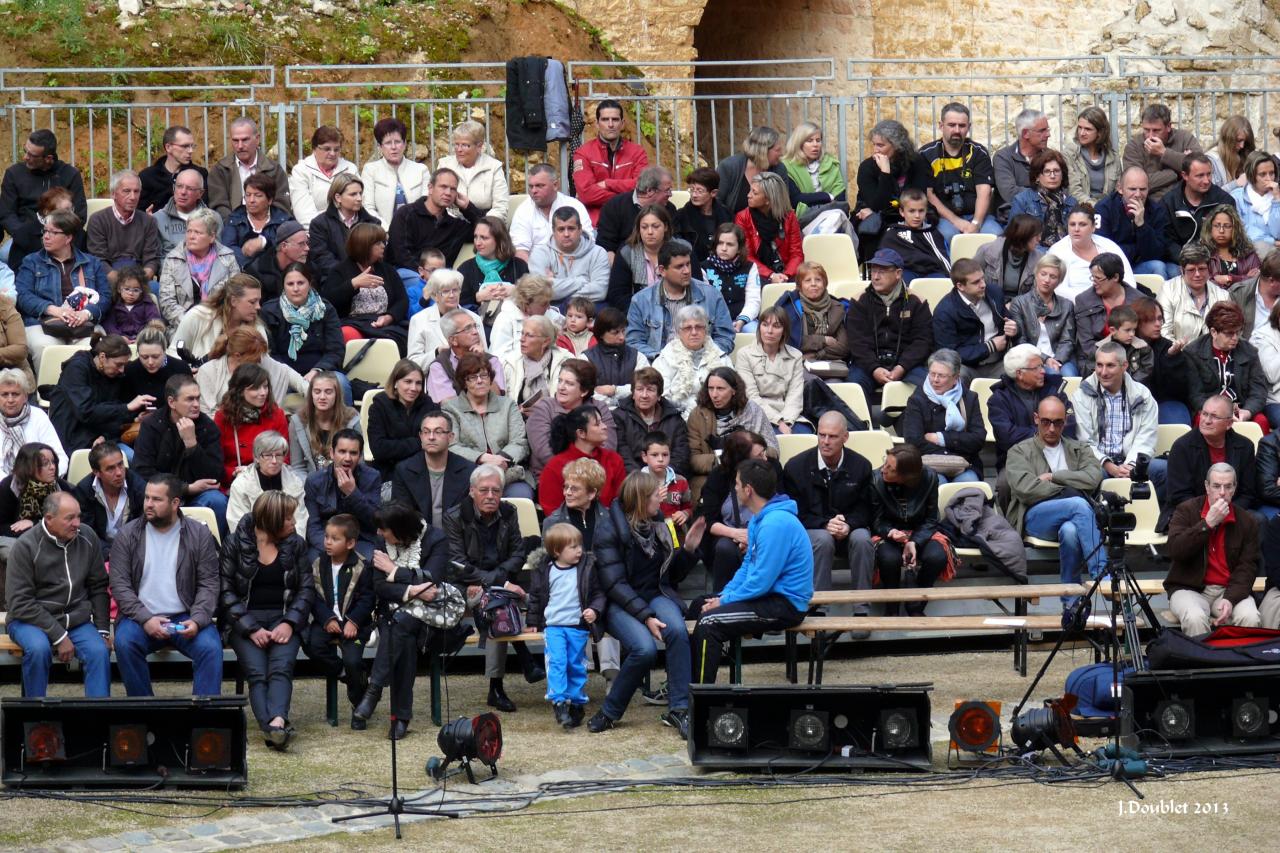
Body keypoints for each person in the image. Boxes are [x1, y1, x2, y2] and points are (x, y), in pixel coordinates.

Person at [591, 469, 706, 735]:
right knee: (644, 650)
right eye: (656, 495)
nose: (661, 499)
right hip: (619, 601)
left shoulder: (660, 525)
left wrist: (688, 551)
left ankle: (679, 710)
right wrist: (646, 617)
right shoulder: (608, 530)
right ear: (642, 499)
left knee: (677, 632)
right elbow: (614, 584)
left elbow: (672, 575)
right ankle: (610, 712)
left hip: (656, 593)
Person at [691, 458, 810, 686]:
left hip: (785, 604)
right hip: (768, 595)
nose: (734, 488)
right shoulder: (761, 518)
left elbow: (761, 581)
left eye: (736, 483)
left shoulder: (776, 523)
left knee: (709, 622)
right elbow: (747, 567)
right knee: (699, 605)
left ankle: (698, 701)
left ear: (748, 490)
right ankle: (680, 687)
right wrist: (723, 596)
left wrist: (725, 601)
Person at [110, 474, 223, 697]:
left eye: (156, 499)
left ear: (175, 503)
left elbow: (209, 584)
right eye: (146, 498)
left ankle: (204, 721)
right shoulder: (127, 535)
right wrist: (145, 618)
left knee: (210, 648)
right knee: (125, 643)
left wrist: (198, 620)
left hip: (185, 616)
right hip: (141, 617)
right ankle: (145, 711)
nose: (148, 504)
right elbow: (120, 585)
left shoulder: (199, 534)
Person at [220, 490, 314, 749]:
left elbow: (306, 590)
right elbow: (225, 592)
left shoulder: (295, 544)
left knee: (281, 668)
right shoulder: (235, 543)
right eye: (288, 519)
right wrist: (249, 628)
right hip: (244, 620)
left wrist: (290, 622)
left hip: (283, 617)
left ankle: (276, 724)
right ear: (272, 521)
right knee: (257, 672)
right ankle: (275, 726)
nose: (294, 524)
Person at [443, 465, 540, 712]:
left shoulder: (509, 512)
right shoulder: (454, 517)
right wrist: (500, 583)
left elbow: (518, 554)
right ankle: (501, 682)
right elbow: (458, 564)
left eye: (495, 490)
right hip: (467, 586)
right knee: (495, 605)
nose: (490, 496)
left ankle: (501, 687)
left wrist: (498, 582)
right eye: (484, 490)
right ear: (472, 491)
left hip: (500, 584)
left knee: (497, 602)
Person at [351, 502, 450, 737]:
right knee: (400, 629)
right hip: (392, 613)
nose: (378, 534)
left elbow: (432, 581)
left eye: (384, 530)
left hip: (428, 616)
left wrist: (393, 571)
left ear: (401, 530)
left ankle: (374, 690)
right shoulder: (380, 542)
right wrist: (412, 590)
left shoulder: (436, 539)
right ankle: (400, 717)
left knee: (402, 624)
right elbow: (379, 586)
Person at [1006, 396, 1106, 617]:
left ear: (1065, 422)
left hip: (1073, 518)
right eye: (1046, 421)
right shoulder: (1019, 451)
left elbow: (1092, 478)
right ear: (1035, 419)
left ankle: (1071, 604)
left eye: (1058, 422)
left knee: (1070, 531)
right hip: (1036, 516)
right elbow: (1026, 489)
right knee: (1078, 503)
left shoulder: (1079, 449)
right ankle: (1102, 575)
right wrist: (1068, 489)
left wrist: (1054, 477)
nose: (1051, 428)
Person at [4, 491, 110, 697]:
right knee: (38, 650)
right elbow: (20, 602)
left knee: (99, 652)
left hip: (75, 619)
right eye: (70, 518)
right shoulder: (25, 546)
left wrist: (103, 630)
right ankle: (34, 720)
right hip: (28, 621)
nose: (77, 523)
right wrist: (59, 636)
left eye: (78, 516)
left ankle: (98, 720)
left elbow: (98, 586)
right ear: (49, 519)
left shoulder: (87, 537)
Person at [784, 411, 874, 608]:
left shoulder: (862, 466)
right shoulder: (795, 467)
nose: (825, 441)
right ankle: (819, 607)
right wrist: (824, 524)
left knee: (862, 539)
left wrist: (849, 525)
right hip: (813, 529)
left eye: (832, 436)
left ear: (845, 437)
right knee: (823, 540)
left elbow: (866, 508)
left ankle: (862, 608)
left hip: (849, 528)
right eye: (821, 435)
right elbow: (793, 512)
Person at [1165, 462, 1262, 634]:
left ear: (1234, 488)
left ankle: (1240, 660)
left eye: (1228, 486)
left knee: (1250, 617)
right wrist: (1207, 524)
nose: (1222, 493)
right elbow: (1175, 550)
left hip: (1228, 589)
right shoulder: (1186, 511)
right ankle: (1202, 660)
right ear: (1207, 486)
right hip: (1189, 588)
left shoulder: (1247, 521)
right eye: (1216, 486)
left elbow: (1247, 568)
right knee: (1195, 617)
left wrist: (1230, 599)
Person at [527, 522, 603, 729]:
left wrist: (594, 610)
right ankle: (559, 701)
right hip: (554, 626)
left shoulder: (586, 569)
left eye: (580, 545)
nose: (579, 550)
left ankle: (577, 702)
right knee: (558, 662)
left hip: (577, 626)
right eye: (573, 547)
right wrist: (533, 621)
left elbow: (597, 593)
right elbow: (535, 596)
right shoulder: (546, 570)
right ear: (557, 551)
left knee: (576, 664)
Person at [15, 208, 110, 371]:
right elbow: (23, 296)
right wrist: (53, 310)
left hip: (83, 322)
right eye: (45, 231)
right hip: (42, 322)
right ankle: (47, 393)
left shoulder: (92, 263)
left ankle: (85, 394)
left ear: (68, 238)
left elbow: (105, 297)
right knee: (45, 348)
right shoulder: (31, 262)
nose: (46, 236)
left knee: (96, 347)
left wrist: (86, 313)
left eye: (53, 232)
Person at [303, 512, 375, 727]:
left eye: (335, 538)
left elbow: (368, 598)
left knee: (353, 660)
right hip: (327, 621)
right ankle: (341, 672)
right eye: (326, 537)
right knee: (311, 644)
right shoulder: (318, 564)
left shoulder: (362, 566)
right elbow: (313, 596)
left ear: (351, 543)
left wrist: (353, 620)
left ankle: (358, 705)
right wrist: (327, 619)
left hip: (355, 625)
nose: (328, 542)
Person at [132, 374, 228, 527]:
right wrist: (186, 488)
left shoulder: (207, 426)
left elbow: (215, 476)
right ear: (172, 402)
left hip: (197, 498)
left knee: (217, 500)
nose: (196, 404)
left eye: (198, 398)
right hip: (160, 497)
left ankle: (217, 549)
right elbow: (142, 471)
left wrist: (192, 444)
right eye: (190, 399)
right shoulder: (151, 425)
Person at [1073, 341, 1166, 495]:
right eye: (1099, 365)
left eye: (1110, 365)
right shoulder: (1082, 395)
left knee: (1164, 470)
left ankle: (1162, 518)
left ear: (1124, 366)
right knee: (1091, 476)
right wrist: (1109, 466)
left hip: (1132, 461)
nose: (1103, 372)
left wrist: (1130, 466)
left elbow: (1146, 437)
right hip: (1098, 464)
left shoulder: (1142, 395)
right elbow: (1083, 441)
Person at [868, 444, 950, 612]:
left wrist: (914, 542)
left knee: (937, 556)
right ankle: (892, 609)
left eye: (890, 468)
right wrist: (890, 532)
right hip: (888, 532)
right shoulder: (875, 479)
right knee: (889, 559)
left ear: (905, 476)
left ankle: (917, 604)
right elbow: (875, 521)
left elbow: (931, 519)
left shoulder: (929, 477)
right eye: (885, 463)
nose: (883, 469)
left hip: (920, 530)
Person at [442, 352, 534, 499]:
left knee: (521, 496)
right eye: (472, 377)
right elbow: (452, 446)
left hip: (508, 472)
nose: (480, 381)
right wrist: (482, 458)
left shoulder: (507, 405)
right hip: (469, 474)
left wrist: (501, 460)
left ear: (490, 379)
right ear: (464, 382)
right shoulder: (451, 408)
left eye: (484, 375)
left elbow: (520, 442)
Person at [844, 247, 933, 398]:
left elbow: (923, 341)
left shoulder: (917, 301)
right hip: (867, 365)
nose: (876, 277)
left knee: (929, 387)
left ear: (898, 274)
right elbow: (857, 343)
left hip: (906, 365)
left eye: (882, 271)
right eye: (873, 271)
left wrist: (902, 367)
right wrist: (874, 368)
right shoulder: (859, 301)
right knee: (854, 387)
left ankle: (907, 421)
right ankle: (863, 423)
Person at [1163, 394, 1259, 530]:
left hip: (1233, 510)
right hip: (1193, 513)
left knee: (1258, 520)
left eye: (1214, 417)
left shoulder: (1245, 446)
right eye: (1204, 414)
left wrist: (1226, 512)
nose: (1206, 421)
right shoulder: (1182, 447)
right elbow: (1179, 496)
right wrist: (1211, 514)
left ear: (1229, 423)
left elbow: (1248, 493)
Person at [626, 239, 734, 359]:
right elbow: (633, 342)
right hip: (658, 365)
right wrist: (661, 358)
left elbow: (725, 338)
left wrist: (703, 357)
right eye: (679, 267)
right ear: (662, 270)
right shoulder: (641, 301)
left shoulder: (712, 295)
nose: (687, 271)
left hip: (703, 363)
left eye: (688, 264)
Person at [1, 129, 87, 274]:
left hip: (63, 238)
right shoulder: (14, 174)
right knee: (4, 255)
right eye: (25, 151)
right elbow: (6, 213)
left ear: (48, 158)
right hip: (24, 239)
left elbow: (79, 214)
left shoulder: (70, 175)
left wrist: (57, 236)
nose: (25, 157)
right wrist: (24, 236)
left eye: (31, 155)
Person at [48, 333, 149, 454]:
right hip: (72, 436)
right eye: (118, 364)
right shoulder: (76, 368)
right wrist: (127, 408)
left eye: (124, 365)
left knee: (137, 457)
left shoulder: (115, 374)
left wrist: (136, 416)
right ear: (102, 357)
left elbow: (113, 411)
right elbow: (86, 412)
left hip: (104, 437)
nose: (122, 370)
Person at [917, 102, 1001, 246]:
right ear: (941, 126)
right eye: (951, 125)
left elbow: (984, 192)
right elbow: (929, 196)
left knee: (996, 236)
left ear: (969, 127)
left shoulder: (978, 152)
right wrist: (957, 222)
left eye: (962, 126)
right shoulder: (926, 154)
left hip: (977, 216)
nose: (957, 130)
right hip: (943, 218)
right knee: (948, 236)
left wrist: (976, 223)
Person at [988, 344, 1077, 470]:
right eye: (1037, 368)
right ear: (1019, 373)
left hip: (1057, 458)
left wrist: (1034, 432)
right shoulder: (999, 400)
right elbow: (1007, 438)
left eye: (1042, 365)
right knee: (1006, 484)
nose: (1043, 371)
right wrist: (1046, 433)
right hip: (1017, 461)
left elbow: (1069, 425)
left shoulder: (1055, 391)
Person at [903, 348, 985, 483]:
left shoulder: (969, 398)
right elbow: (914, 441)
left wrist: (941, 439)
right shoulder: (917, 400)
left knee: (969, 484)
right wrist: (952, 452)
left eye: (941, 376)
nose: (935, 380)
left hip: (964, 464)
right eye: (932, 374)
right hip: (929, 463)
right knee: (937, 483)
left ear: (955, 378)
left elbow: (978, 438)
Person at [1183, 300, 1269, 429]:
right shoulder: (1193, 353)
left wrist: (1247, 411)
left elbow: (1259, 390)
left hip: (1241, 407)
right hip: (1209, 410)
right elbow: (1195, 395)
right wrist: (1219, 414)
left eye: (1238, 332)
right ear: (1214, 332)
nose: (1235, 338)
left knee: (1261, 422)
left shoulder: (1249, 351)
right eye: (1229, 333)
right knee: (1201, 420)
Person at [322, 221, 408, 349]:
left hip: (383, 324)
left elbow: (402, 300)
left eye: (383, 242)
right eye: (378, 243)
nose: (383, 246)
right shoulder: (339, 271)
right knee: (348, 334)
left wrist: (389, 317)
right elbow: (328, 301)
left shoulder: (387, 270)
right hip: (353, 323)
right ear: (364, 246)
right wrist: (353, 284)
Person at [526, 358, 617, 478]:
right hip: (553, 475)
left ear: (584, 391)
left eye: (569, 383)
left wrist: (587, 475)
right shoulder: (544, 407)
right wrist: (576, 476)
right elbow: (544, 452)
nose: (561, 387)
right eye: (560, 381)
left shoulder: (600, 408)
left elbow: (608, 446)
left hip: (595, 477)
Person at [260, 262, 346, 388]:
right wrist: (292, 377)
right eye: (290, 284)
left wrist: (318, 370)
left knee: (341, 383)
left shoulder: (325, 309)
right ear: (283, 286)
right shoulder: (269, 311)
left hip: (321, 372)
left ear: (309, 284)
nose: (295, 289)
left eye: (300, 283)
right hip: (283, 374)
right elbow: (270, 354)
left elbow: (336, 350)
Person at [932, 258, 1018, 381]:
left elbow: (1007, 319)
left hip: (1000, 362)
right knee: (954, 375)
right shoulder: (945, 312)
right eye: (976, 282)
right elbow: (948, 355)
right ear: (960, 286)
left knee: (1023, 367)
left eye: (983, 278)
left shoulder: (994, 293)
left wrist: (1013, 328)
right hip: (967, 367)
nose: (983, 284)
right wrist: (989, 347)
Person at [304, 429, 382, 559]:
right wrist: (332, 546)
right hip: (325, 540)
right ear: (332, 453)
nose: (347, 458)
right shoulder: (314, 481)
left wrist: (352, 493)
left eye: (353, 453)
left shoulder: (372, 477)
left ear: (360, 456)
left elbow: (375, 522)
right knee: (313, 561)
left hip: (359, 539)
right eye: (342, 451)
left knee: (370, 561)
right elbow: (313, 526)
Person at [157, 208, 240, 330]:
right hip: (182, 326)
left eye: (197, 232)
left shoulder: (228, 258)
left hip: (219, 325)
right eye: (189, 231)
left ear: (212, 237)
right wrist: (190, 324)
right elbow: (167, 302)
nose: (191, 236)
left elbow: (235, 296)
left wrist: (215, 324)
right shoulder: (173, 259)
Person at [196, 325, 307, 415]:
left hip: (264, 429)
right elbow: (207, 412)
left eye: (261, 356)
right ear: (237, 356)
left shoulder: (263, 360)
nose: (260, 360)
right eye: (255, 358)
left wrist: (315, 392)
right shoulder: (208, 371)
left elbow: (292, 377)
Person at [687, 367, 778, 475]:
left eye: (720, 388)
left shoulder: (753, 410)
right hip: (714, 473)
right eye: (710, 388)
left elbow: (772, 450)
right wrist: (724, 459)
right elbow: (692, 459)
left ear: (734, 390)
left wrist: (751, 455)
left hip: (751, 472)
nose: (714, 395)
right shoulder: (698, 415)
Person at [391, 410, 473, 528]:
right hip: (418, 539)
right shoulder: (404, 470)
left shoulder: (468, 471)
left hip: (457, 539)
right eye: (426, 432)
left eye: (438, 432)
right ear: (420, 436)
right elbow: (402, 515)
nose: (431, 437)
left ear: (450, 437)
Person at [0, 444, 74, 576]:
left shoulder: (60, 487)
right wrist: (30, 532)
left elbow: (74, 520)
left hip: (52, 535)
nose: (52, 467)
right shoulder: (9, 487)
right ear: (28, 466)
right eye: (45, 464)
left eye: (53, 462)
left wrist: (35, 524)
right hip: (15, 538)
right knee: (15, 552)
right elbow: (2, 526)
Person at [539, 404, 626, 514]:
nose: (605, 426)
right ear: (581, 433)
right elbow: (552, 510)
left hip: (608, 527)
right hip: (568, 528)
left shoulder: (613, 459)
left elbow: (620, 502)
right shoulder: (555, 467)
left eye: (602, 422)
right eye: (597, 424)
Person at [573, 100, 648, 226]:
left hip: (632, 222)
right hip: (595, 224)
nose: (610, 124)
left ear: (622, 123)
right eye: (605, 119)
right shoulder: (583, 153)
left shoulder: (637, 152)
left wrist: (608, 183)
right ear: (597, 123)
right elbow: (586, 194)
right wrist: (629, 198)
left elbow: (643, 187)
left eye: (615, 119)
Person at [387, 167, 480, 270]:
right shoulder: (405, 214)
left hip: (442, 277)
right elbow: (401, 255)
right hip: (407, 272)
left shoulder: (455, 226)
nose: (448, 193)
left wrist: (467, 207)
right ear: (431, 188)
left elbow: (487, 228)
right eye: (443, 187)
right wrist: (426, 273)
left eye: (453, 189)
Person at [735, 305, 808, 434]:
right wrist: (778, 421)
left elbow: (795, 396)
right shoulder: (744, 355)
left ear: (784, 331)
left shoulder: (795, 356)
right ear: (759, 328)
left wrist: (786, 421)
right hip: (755, 415)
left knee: (804, 435)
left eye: (776, 326)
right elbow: (751, 397)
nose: (769, 331)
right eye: (765, 324)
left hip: (789, 415)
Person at [214, 363, 289, 488]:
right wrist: (233, 472)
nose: (263, 393)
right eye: (255, 388)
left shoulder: (276, 414)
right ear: (239, 390)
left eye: (265, 387)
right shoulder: (223, 417)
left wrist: (261, 472)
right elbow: (216, 461)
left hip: (269, 481)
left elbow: (285, 458)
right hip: (235, 483)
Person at [652, 304, 733, 418]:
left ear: (706, 329)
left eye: (699, 327)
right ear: (678, 332)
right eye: (688, 328)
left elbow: (733, 390)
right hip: (676, 418)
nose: (694, 332)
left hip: (718, 417)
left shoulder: (720, 357)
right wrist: (692, 407)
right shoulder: (665, 358)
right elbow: (661, 396)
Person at [854, 119, 931, 237]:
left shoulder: (917, 162)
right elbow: (877, 206)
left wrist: (886, 211)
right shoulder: (867, 168)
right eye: (874, 144)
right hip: (877, 226)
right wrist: (885, 173)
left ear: (897, 146)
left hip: (911, 218)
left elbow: (917, 199)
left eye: (880, 145)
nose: (875, 150)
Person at [1096, 166, 1175, 279]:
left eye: (1143, 189)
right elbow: (1104, 251)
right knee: (1159, 267)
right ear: (1120, 188)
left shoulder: (1156, 209)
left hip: (1143, 264)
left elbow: (1158, 253)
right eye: (1132, 189)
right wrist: (1137, 250)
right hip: (1114, 269)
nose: (1138, 194)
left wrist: (1141, 225)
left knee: (1172, 270)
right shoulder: (1104, 208)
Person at [207, 117, 292, 221]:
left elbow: (281, 206)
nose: (240, 146)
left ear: (257, 139)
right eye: (235, 141)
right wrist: (236, 226)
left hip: (268, 230)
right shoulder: (220, 170)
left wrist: (263, 226)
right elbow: (219, 206)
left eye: (245, 140)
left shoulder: (274, 170)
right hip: (231, 228)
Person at [72, 441, 145, 558]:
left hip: (134, 552)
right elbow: (86, 532)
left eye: (120, 464)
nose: (119, 473)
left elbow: (144, 526)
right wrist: (108, 553)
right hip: (98, 554)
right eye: (110, 469)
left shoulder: (139, 487)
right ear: (97, 472)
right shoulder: (84, 491)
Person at [88, 170, 163, 283]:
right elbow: (99, 260)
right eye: (126, 191)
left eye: (136, 191)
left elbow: (151, 260)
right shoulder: (98, 220)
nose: (133, 197)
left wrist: (136, 283)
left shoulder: (149, 221)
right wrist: (123, 283)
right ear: (113, 194)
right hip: (108, 279)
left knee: (158, 290)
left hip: (140, 280)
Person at [227, 430, 308, 534]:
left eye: (278, 455)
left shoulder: (294, 481)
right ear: (257, 457)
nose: (274, 461)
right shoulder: (241, 485)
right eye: (268, 455)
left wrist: (290, 547)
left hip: (289, 543)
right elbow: (238, 525)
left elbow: (300, 521)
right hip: (253, 545)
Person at [1008, 254, 1077, 376]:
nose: (1047, 280)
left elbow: (1067, 340)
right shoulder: (1019, 302)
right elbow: (1021, 340)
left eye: (1053, 276)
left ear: (1059, 280)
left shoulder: (1066, 305)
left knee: (1070, 376)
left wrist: (1057, 360)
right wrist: (1045, 359)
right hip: (1031, 357)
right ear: (1036, 274)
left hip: (1061, 358)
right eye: (1043, 274)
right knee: (1052, 375)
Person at [367, 358, 436, 480]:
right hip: (389, 473)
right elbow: (379, 448)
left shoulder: (428, 404)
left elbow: (435, 442)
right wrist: (418, 442)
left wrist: (396, 446)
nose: (414, 388)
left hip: (422, 471)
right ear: (395, 382)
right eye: (408, 381)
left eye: (418, 383)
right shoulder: (380, 405)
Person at [172, 272, 265, 362]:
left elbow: (263, 365)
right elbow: (173, 353)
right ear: (233, 301)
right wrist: (187, 370)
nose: (258, 307)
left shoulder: (258, 331)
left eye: (259, 301)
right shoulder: (198, 316)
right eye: (252, 302)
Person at [613, 366, 689, 474]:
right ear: (633, 394)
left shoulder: (674, 419)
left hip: (667, 478)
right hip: (633, 480)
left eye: (650, 390)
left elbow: (681, 455)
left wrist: (663, 476)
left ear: (659, 395)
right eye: (639, 389)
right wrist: (643, 479)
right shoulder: (619, 417)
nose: (644, 395)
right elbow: (622, 455)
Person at [1074, 252, 1142, 373]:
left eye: (1098, 278)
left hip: (1133, 361)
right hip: (1095, 363)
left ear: (1115, 277)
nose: (1094, 282)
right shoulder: (1083, 301)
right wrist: (1112, 362)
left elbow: (1143, 338)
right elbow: (1087, 344)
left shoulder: (1139, 301)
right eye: (1092, 277)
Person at [409, 268, 488, 372]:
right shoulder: (419, 320)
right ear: (435, 295)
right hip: (435, 381)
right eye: (445, 291)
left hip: (470, 378)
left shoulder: (474, 318)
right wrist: (436, 353)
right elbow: (412, 364)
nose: (452, 295)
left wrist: (480, 355)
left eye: (455, 290)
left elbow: (487, 355)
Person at [529, 205, 611, 305]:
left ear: (580, 229)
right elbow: (540, 290)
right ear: (554, 231)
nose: (566, 234)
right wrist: (581, 281)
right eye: (561, 229)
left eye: (571, 228)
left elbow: (600, 291)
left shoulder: (598, 253)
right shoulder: (540, 254)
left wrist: (562, 296)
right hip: (550, 309)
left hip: (586, 309)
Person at [510, 164, 593, 261]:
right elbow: (520, 252)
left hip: (574, 266)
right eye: (531, 186)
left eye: (539, 186)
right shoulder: (523, 210)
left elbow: (588, 243)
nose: (534, 191)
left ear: (555, 185)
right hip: (535, 271)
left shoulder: (575, 206)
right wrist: (539, 271)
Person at [1123, 103, 1204, 200]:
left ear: (1168, 126)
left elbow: (1200, 168)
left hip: (1184, 201)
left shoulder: (1185, 138)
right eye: (1146, 130)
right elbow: (1137, 184)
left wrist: (1164, 153)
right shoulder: (1134, 146)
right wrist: (1177, 172)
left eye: (1156, 130)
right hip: (1151, 204)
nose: (1150, 136)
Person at [457, 215, 527, 328]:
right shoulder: (466, 268)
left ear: (499, 240)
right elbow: (457, 305)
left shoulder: (518, 265)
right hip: (478, 327)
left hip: (516, 326)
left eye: (484, 238)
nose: (478, 243)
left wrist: (516, 291)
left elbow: (534, 300)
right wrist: (478, 297)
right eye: (476, 237)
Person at [308, 173, 380, 281]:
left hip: (370, 279)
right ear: (338, 197)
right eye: (353, 194)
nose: (359, 198)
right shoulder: (319, 224)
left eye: (360, 193)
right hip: (334, 281)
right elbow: (322, 259)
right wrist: (352, 277)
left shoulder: (373, 223)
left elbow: (378, 257)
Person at [1163, 153, 1235, 261]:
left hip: (1214, 260)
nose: (1206, 181)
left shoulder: (1224, 201)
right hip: (1179, 262)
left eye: (1209, 174)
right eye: (1200, 176)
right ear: (1185, 176)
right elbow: (1166, 240)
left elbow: (1229, 237)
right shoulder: (1169, 202)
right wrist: (1186, 260)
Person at [423, 308, 505, 403]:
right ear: (453, 340)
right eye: (467, 329)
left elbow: (498, 400)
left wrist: (483, 363)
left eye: (475, 326)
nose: (475, 332)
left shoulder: (491, 361)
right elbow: (449, 406)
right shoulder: (439, 366)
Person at [359, 117, 430, 228]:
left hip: (418, 232)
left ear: (405, 143)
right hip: (383, 234)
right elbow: (368, 207)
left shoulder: (421, 170)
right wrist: (386, 230)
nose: (393, 147)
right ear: (380, 146)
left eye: (397, 142)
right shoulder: (370, 170)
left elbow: (428, 205)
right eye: (387, 143)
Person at [1134, 297, 1193, 424]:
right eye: (1151, 320)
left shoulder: (1169, 348)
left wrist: (1172, 359)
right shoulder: (1124, 346)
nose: (1158, 324)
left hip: (1162, 401)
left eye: (1160, 318)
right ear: (1137, 322)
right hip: (1128, 401)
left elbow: (1180, 391)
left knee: (1175, 415)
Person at [288, 370, 359, 476]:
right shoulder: (298, 421)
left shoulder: (352, 419)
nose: (322, 397)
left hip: (344, 481)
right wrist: (311, 488)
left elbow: (358, 463)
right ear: (311, 394)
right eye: (317, 392)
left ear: (337, 394)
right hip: (309, 485)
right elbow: (298, 467)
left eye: (328, 392)